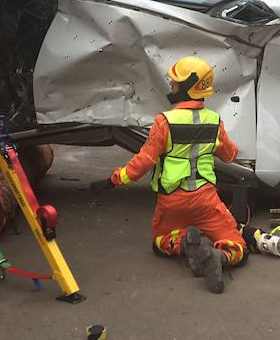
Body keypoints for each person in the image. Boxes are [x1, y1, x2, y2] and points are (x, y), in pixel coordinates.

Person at [89, 56, 247, 293]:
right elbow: (229, 155)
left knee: (160, 242)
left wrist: (112, 181)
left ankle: (183, 243)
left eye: (175, 83)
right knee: (238, 246)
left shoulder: (164, 122)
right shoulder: (215, 122)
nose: (171, 87)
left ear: (188, 86)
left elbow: (143, 162)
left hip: (172, 202)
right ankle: (219, 256)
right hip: (206, 201)